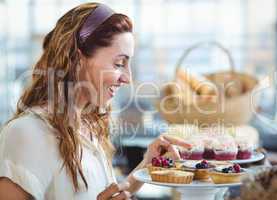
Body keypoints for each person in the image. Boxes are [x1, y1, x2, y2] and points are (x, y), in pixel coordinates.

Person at [0, 2, 192, 200]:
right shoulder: (26, 133)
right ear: (77, 59)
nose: (128, 78)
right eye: (119, 63)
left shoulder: (88, 127)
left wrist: (146, 166)